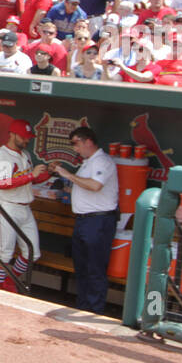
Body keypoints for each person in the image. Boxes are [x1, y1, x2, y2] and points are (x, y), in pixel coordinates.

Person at [50, 126, 118, 314]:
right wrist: (65, 187)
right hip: (84, 220)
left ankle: (94, 310)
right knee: (81, 267)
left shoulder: (102, 161)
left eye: (76, 143)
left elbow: (95, 185)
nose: (75, 148)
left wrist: (68, 174)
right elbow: (85, 188)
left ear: (88, 141)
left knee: (95, 268)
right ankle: (83, 307)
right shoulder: (87, 162)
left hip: (98, 221)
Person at [0, 119, 48, 292]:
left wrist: (49, 172)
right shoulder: (2, 155)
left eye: (28, 137)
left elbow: (33, 178)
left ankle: (10, 280)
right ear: (12, 134)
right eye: (23, 136)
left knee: (33, 253)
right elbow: (3, 183)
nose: (27, 140)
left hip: (24, 207)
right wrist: (30, 176)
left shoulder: (25, 155)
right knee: (4, 254)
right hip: (8, 207)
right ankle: (0, 289)